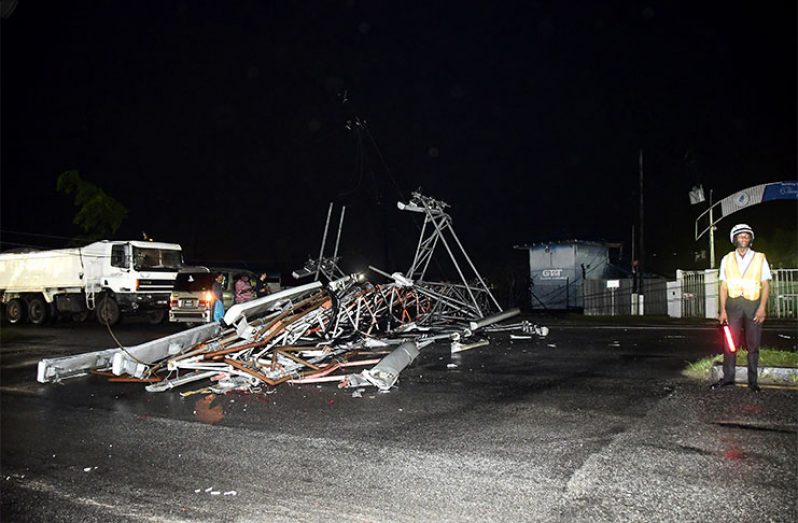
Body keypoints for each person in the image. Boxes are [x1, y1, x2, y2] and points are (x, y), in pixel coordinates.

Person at [712, 224, 771, 392]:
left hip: (753, 305)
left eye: (746, 236)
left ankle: (753, 382)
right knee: (730, 343)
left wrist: (762, 308)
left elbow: (765, 285)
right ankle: (728, 378)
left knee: (753, 344)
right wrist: (722, 310)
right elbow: (723, 286)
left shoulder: (760, 258)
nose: (743, 238)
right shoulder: (727, 258)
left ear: (750, 239)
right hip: (733, 305)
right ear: (735, 239)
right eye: (740, 236)